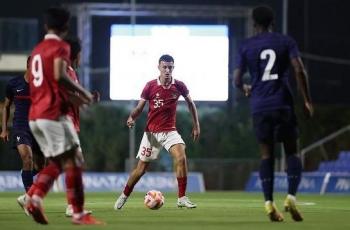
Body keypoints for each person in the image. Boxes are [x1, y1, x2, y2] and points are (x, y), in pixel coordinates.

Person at [233, 5, 313, 222]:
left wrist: (246, 88)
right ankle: (290, 198)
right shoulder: (285, 41)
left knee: (266, 155)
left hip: (260, 106)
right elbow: (299, 69)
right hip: (283, 104)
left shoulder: (246, 46)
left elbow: (237, 80)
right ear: (272, 22)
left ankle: (269, 204)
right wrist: (306, 100)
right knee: (292, 153)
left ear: (254, 24)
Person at [24, 7, 103, 225]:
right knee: (74, 160)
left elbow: (43, 82)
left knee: (61, 161)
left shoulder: (38, 49)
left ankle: (34, 197)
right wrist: (85, 94)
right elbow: (59, 76)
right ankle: (77, 213)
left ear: (45, 26)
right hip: (52, 114)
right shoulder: (61, 46)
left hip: (36, 115)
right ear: (66, 27)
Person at [114, 54, 200, 210]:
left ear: (173, 68)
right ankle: (124, 195)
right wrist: (131, 117)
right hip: (151, 134)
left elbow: (191, 104)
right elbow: (140, 108)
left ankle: (182, 197)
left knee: (181, 158)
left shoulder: (179, 85)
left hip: (170, 131)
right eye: (164, 67)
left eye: (170, 67)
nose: (167, 70)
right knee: (140, 170)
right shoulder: (150, 86)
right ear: (159, 67)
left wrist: (196, 125)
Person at [1, 56, 45, 215]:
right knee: (27, 159)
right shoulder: (14, 83)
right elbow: (6, 106)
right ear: (28, 66)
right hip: (21, 128)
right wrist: (4, 129)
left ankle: (25, 189)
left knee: (41, 166)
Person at [63, 36, 99, 217]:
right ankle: (73, 206)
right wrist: (87, 99)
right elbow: (68, 98)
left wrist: (87, 98)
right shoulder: (66, 72)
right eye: (80, 54)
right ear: (75, 54)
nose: (81, 58)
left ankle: (30, 196)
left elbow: (73, 98)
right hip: (65, 122)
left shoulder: (70, 72)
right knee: (76, 162)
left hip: (70, 122)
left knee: (60, 164)